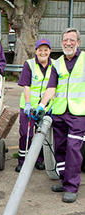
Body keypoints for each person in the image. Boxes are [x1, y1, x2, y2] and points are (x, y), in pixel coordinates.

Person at [35, 28, 85, 203]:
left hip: (79, 113)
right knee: (61, 148)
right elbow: (51, 88)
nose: (68, 43)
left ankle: (72, 187)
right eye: (65, 40)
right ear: (61, 43)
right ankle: (64, 181)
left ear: (78, 42)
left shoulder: (84, 60)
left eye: (72, 40)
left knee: (73, 149)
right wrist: (41, 105)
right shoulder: (56, 64)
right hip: (59, 112)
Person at [16, 39, 54, 172]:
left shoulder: (55, 65)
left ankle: (39, 160)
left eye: (46, 50)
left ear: (50, 51)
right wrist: (27, 104)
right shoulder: (29, 64)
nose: (43, 52)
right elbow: (26, 86)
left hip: (45, 108)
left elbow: (54, 87)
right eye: (40, 50)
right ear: (36, 51)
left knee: (42, 134)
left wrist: (46, 105)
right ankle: (22, 161)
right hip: (29, 107)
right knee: (26, 134)